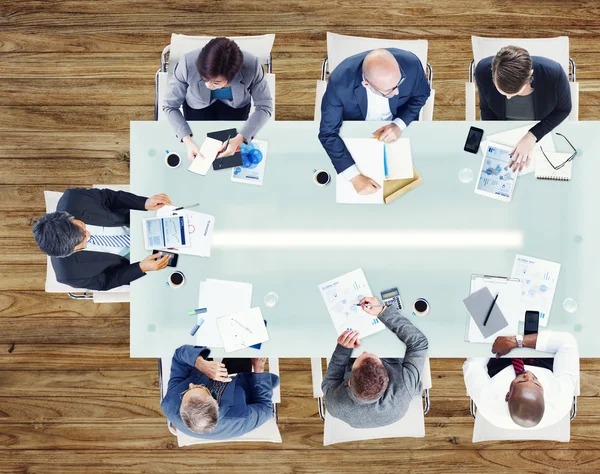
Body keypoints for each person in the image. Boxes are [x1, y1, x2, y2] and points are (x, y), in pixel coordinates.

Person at [318, 48, 430, 195]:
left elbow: (422, 94)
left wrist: (398, 124)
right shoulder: (340, 83)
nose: (397, 92)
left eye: (399, 82)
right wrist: (355, 177)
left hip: (400, 131)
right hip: (356, 132)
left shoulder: (411, 65)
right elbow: (327, 133)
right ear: (366, 85)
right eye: (390, 90)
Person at [33, 188, 172, 291]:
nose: (87, 234)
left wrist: (144, 203)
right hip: (138, 261)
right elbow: (108, 281)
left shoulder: (74, 198)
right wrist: (141, 267)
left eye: (81, 226)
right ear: (70, 252)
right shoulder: (68, 275)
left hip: (140, 220)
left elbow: (111, 198)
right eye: (82, 240)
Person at [321, 296, 429, 428]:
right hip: (395, 408)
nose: (365, 352)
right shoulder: (404, 387)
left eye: (362, 356)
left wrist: (343, 349)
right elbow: (419, 343)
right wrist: (382, 311)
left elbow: (329, 381)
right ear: (387, 377)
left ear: (349, 381)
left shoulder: (334, 403)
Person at [163, 37, 273, 162]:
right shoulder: (187, 63)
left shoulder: (252, 65)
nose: (209, 86)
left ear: (231, 77)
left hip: (235, 108)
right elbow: (170, 105)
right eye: (205, 79)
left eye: (216, 82)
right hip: (197, 106)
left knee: (228, 157)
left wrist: (238, 139)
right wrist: (187, 140)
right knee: (200, 146)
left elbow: (265, 106)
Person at [475, 45, 572, 172]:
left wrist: (532, 136)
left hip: (542, 131)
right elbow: (487, 109)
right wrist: (495, 138)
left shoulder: (553, 73)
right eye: (503, 93)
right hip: (505, 133)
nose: (509, 98)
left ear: (529, 77)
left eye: (514, 93)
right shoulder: (483, 71)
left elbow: (563, 109)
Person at [463, 331, 579, 429]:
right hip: (544, 362)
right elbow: (567, 342)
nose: (528, 375)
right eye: (536, 382)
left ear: (507, 395)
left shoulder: (487, 401)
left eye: (521, 381)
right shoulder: (560, 397)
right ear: (544, 395)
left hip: (500, 363)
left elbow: (473, 364)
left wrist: (498, 339)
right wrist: (518, 341)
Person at [161, 345, 279, 439]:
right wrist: (259, 370)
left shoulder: (170, 403)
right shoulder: (240, 419)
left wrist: (200, 364)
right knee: (241, 346)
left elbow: (179, 358)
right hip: (237, 384)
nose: (191, 385)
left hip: (200, 372)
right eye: (199, 388)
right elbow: (266, 408)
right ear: (216, 403)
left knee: (203, 342)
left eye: (186, 391)